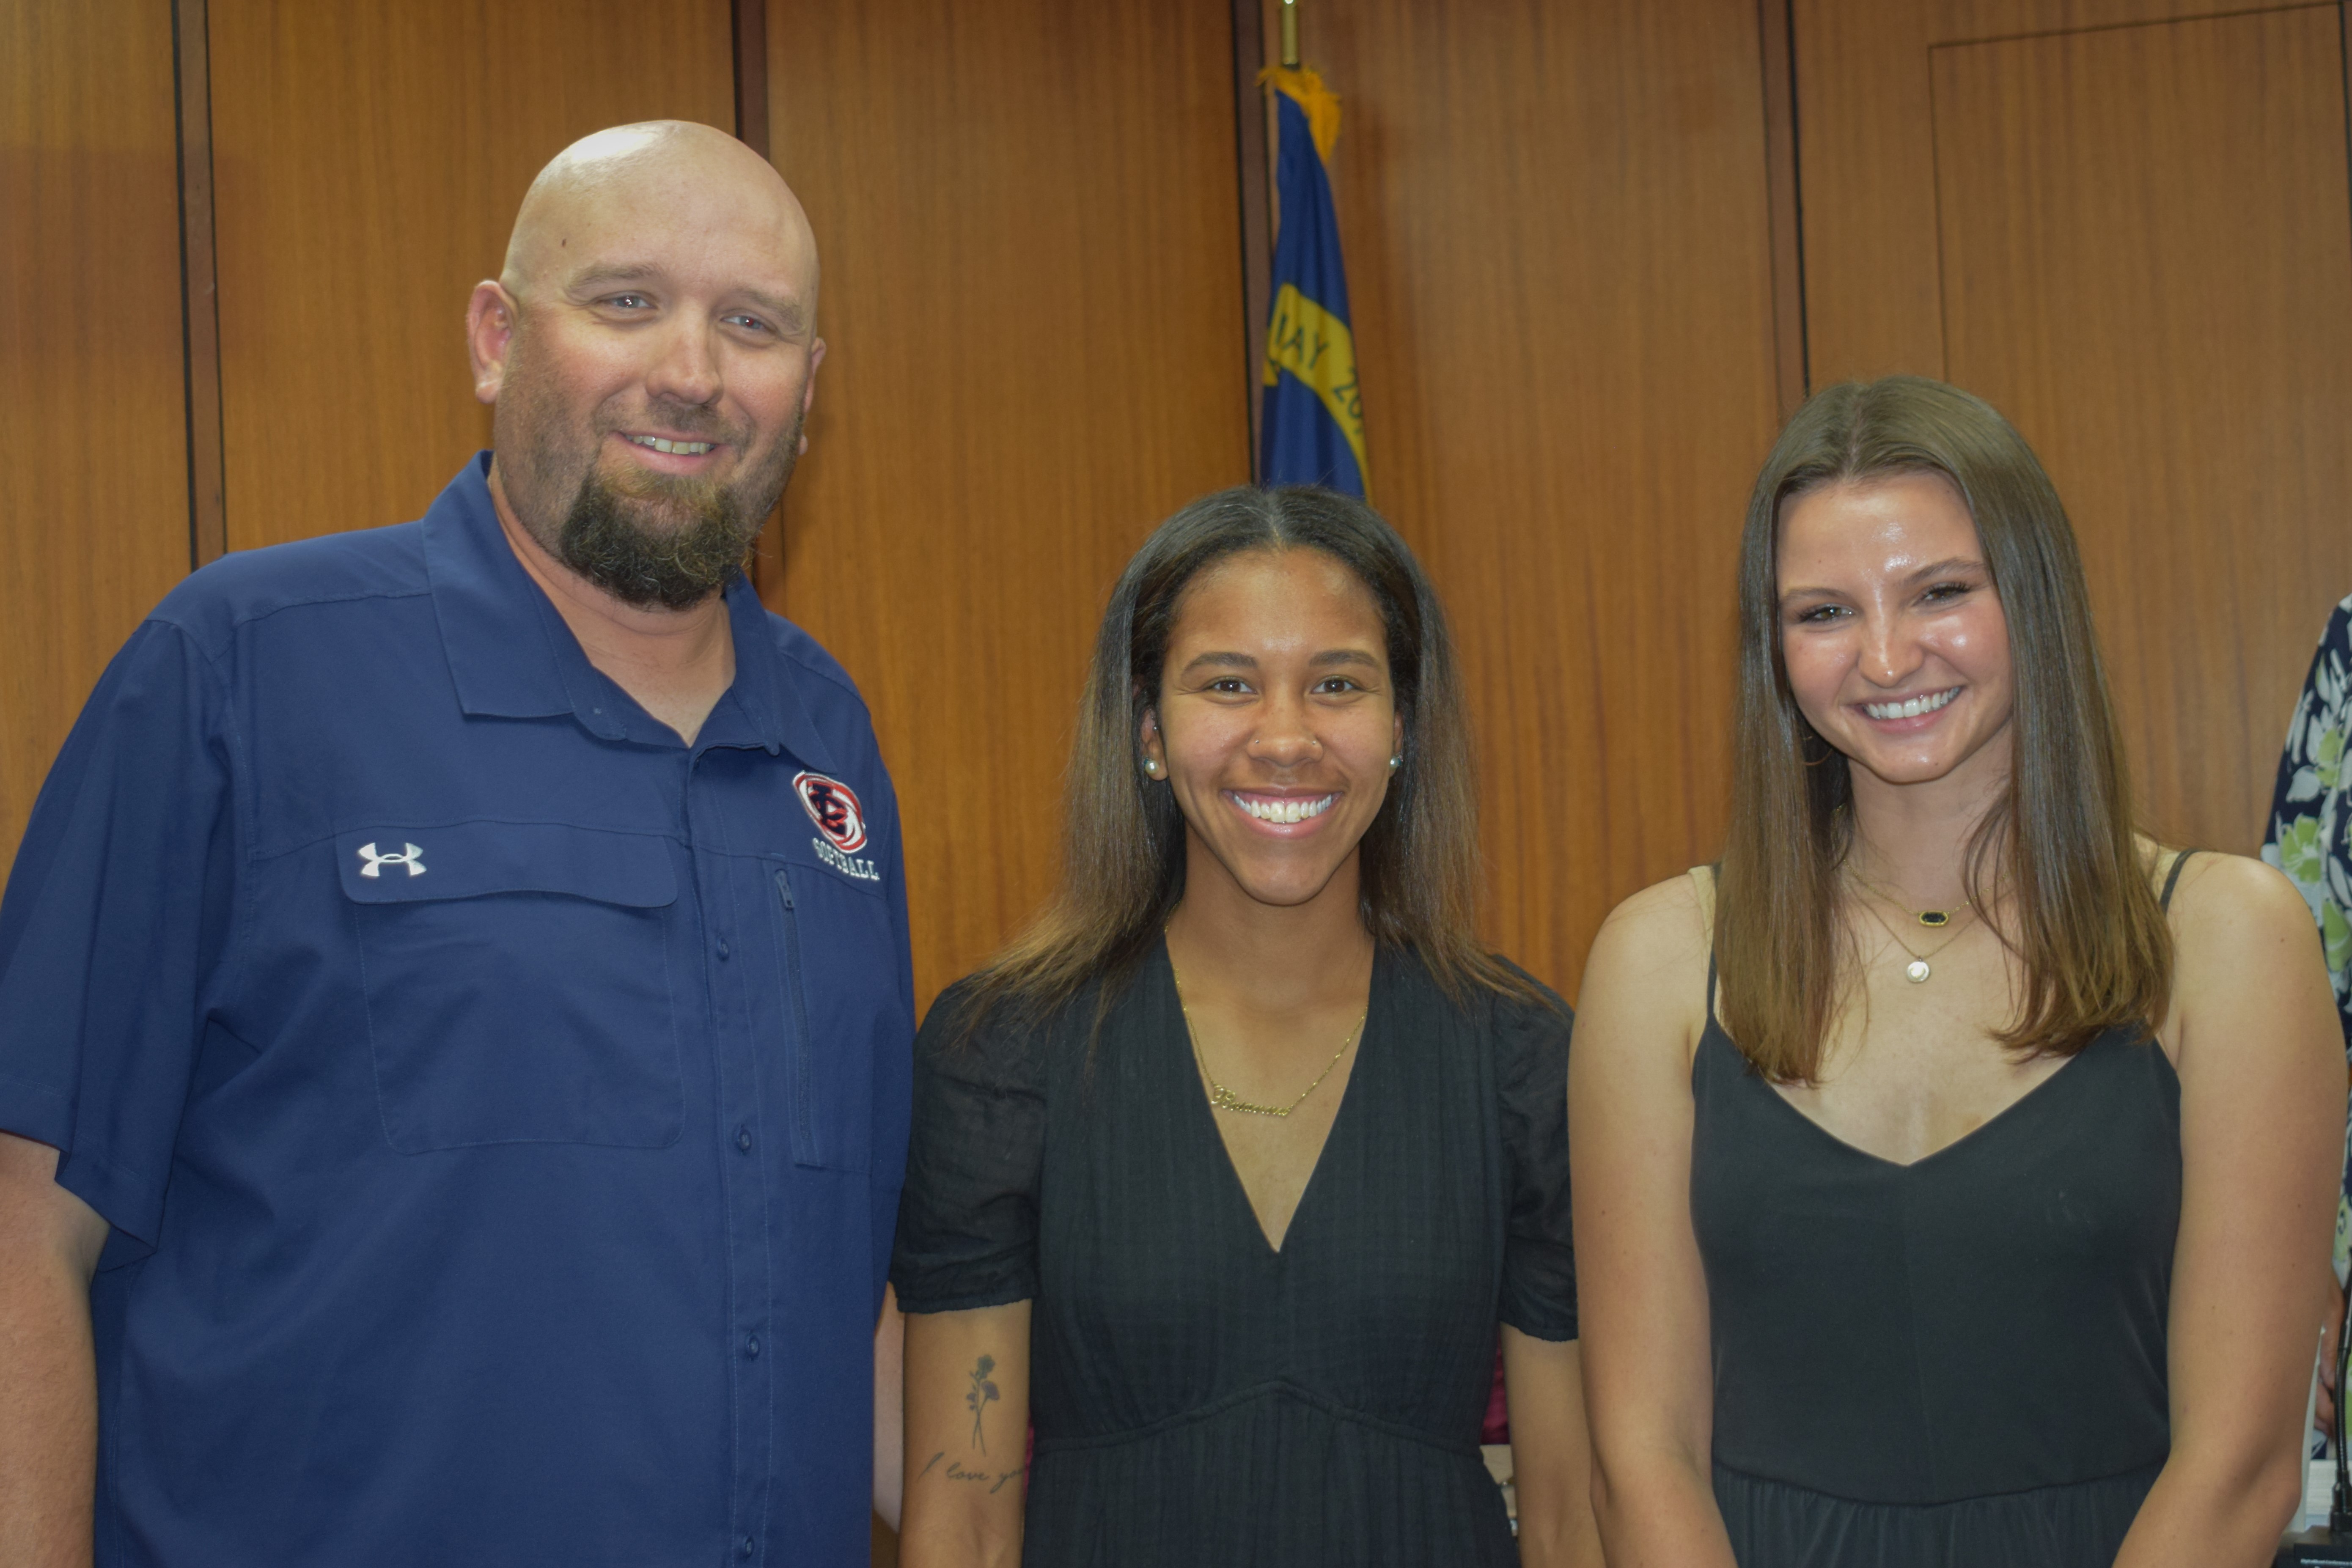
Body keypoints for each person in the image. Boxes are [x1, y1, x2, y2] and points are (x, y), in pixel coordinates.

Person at [0, 121, 912, 1565]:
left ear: (809, 385)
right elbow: (25, 1226)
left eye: (753, 323)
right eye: (626, 301)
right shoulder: (244, 663)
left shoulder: (829, 747)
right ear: (496, 336)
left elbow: (840, 1275)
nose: (690, 368)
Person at [1571, 375, 2344, 1567]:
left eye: (1940, 592)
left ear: (2032, 595)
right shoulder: (1659, 960)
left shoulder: (2230, 941)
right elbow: (1643, 1456)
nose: (1885, 656)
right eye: (1823, 611)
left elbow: (2240, 1465)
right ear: (1773, 647)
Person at [889, 486, 1599, 1568]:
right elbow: (967, 1524)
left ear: (1401, 727)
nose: (1284, 737)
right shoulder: (1003, 1051)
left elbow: (1563, 1519)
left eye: (1336, 684)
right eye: (1226, 684)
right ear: (1149, 732)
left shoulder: (1518, 1055)